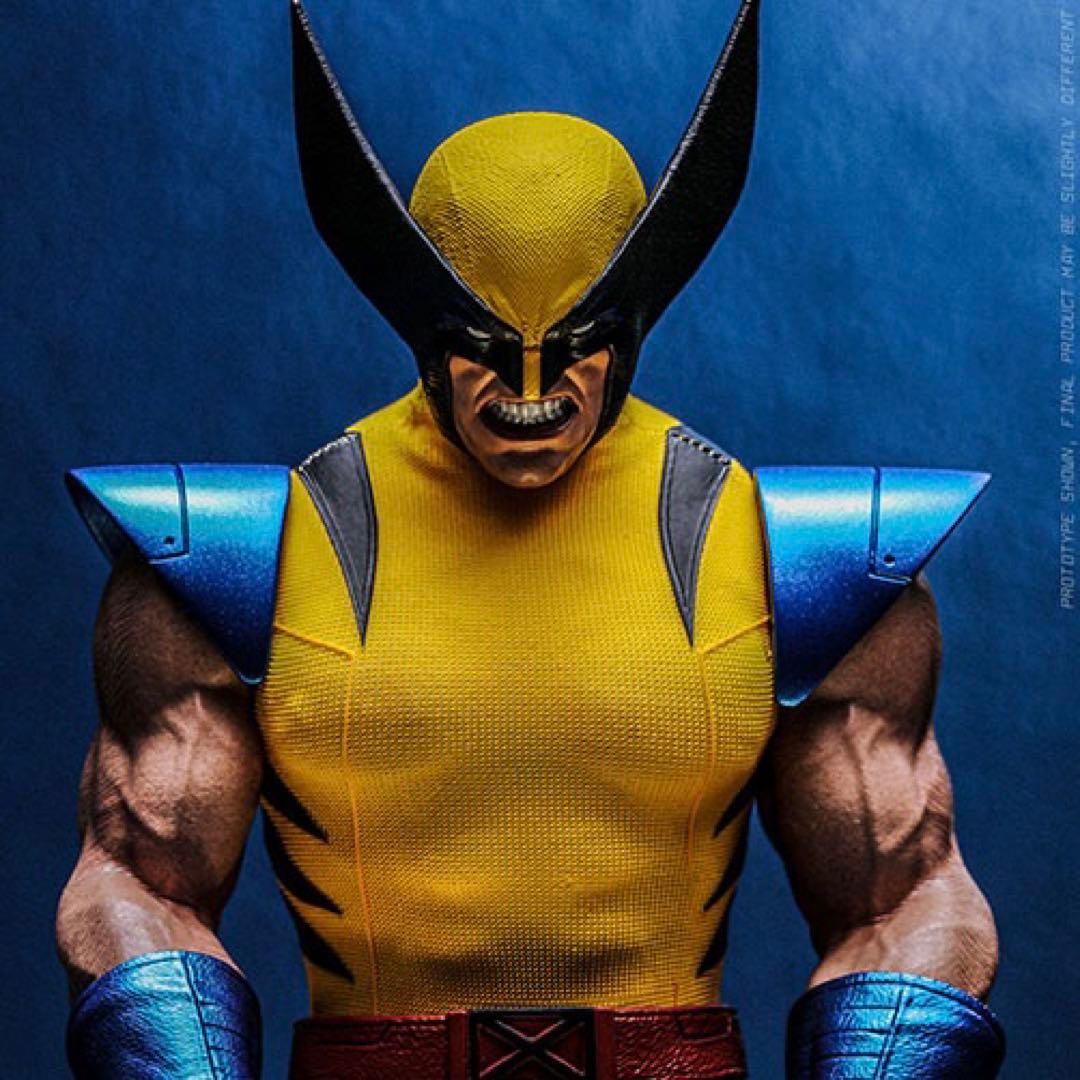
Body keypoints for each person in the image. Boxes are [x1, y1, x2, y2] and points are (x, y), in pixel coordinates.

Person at [57, 1, 1006, 1076]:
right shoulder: (232, 560)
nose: (527, 392)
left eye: (577, 343)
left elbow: (904, 903)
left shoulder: (807, 559)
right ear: (413, 314)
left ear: (638, 315)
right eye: (480, 343)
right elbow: (141, 887)